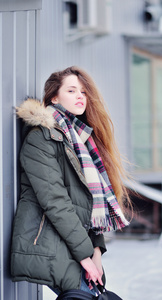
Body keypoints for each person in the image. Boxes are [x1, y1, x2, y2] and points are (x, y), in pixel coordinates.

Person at [11, 66, 131, 296]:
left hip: (74, 245)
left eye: (84, 92)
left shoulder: (80, 140)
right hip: (49, 243)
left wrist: (96, 250)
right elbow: (56, 201)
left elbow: (88, 204)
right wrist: (85, 256)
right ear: (54, 97)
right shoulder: (41, 138)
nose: (80, 97)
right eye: (72, 90)